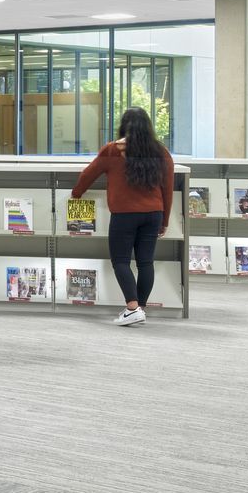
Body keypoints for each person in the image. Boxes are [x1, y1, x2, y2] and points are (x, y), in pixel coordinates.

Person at [72, 105, 175, 328]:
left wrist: (76, 193)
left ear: (124, 126)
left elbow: (88, 174)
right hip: (153, 214)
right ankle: (139, 309)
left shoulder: (112, 150)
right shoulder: (161, 152)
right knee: (146, 262)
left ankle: (132, 308)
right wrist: (165, 220)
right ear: (148, 126)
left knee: (120, 261)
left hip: (124, 215)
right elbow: (168, 189)